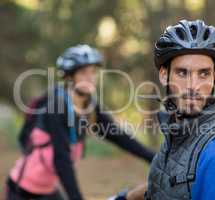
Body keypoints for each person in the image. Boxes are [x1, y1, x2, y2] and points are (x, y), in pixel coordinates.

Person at [111, 19, 215, 200]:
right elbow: (168, 185)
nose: (193, 86)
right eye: (182, 72)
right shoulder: (180, 133)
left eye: (203, 73)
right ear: (164, 74)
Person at [5, 44, 155, 200]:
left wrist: (155, 158)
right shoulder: (56, 107)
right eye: (83, 72)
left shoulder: (90, 106)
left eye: (93, 72)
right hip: (22, 191)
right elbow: (62, 161)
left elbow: (118, 136)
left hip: (48, 190)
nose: (91, 77)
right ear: (70, 77)